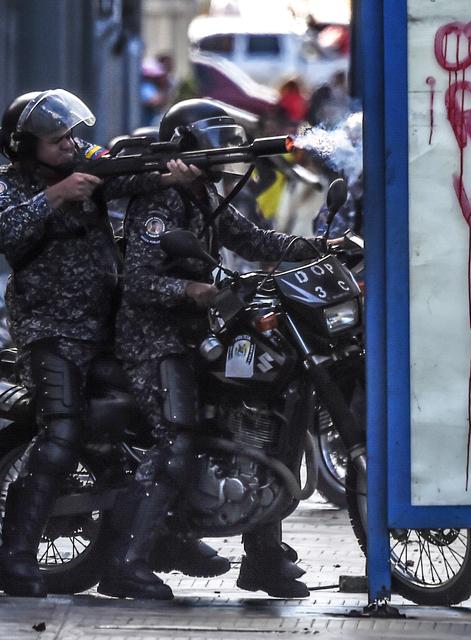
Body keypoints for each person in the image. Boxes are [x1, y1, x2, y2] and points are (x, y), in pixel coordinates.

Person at [97, 98, 340, 601]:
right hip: (153, 339)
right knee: (177, 437)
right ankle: (127, 563)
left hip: (200, 334)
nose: (224, 154)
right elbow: (140, 283)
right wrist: (192, 291)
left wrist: (323, 248)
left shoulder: (202, 193)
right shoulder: (159, 201)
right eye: (215, 144)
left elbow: (253, 239)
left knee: (259, 426)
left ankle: (264, 560)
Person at [0, 89, 220, 598]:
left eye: (72, 136)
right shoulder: (11, 187)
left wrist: (175, 172)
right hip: (50, 330)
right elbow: (6, 233)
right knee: (61, 436)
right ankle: (15, 557)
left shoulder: (89, 168)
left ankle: (163, 539)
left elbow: (135, 172)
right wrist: (54, 197)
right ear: (25, 148)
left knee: (153, 429)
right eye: (57, 142)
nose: (70, 146)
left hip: (106, 326)